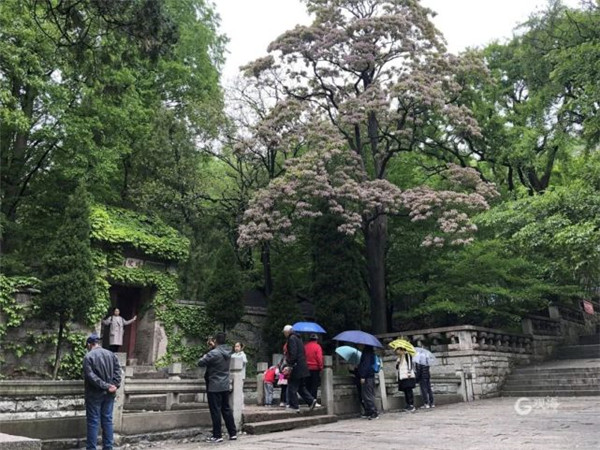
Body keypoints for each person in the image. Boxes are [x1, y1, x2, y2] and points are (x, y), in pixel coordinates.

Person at [83, 333, 122, 450]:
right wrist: (114, 385)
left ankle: (91, 448)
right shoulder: (111, 354)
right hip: (110, 394)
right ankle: (108, 447)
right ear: (98, 343)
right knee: (107, 420)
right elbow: (118, 373)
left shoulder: (88, 357)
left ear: (89, 344)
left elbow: (91, 377)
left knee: (93, 421)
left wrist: (106, 386)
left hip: (94, 394)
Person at [197, 332, 237, 443]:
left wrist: (210, 350)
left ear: (215, 341)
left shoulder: (213, 353)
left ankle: (217, 435)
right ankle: (232, 433)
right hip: (225, 384)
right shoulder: (229, 352)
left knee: (215, 410)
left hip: (214, 385)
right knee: (226, 409)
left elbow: (200, 362)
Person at [282, 324, 320, 413]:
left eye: (284, 332)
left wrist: (289, 365)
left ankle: (294, 406)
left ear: (287, 332)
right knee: (301, 387)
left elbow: (293, 353)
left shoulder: (291, 339)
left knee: (292, 386)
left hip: (296, 367)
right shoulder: (299, 338)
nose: (284, 334)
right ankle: (311, 400)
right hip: (303, 366)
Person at [356, 344, 378, 420]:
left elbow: (366, 365)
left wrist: (363, 376)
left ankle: (373, 411)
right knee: (366, 394)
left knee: (368, 395)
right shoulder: (370, 353)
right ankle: (369, 410)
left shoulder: (367, 354)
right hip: (369, 375)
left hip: (367, 376)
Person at [396, 347, 416, 412]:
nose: (397, 351)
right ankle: (407, 404)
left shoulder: (407, 355)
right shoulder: (400, 357)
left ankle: (411, 404)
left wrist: (409, 372)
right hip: (402, 376)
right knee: (405, 391)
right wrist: (398, 363)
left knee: (409, 390)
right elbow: (397, 367)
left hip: (407, 375)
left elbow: (410, 364)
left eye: (398, 350)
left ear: (401, 350)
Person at [304, 334, 324, 400]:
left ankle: (308, 399)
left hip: (306, 368)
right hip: (315, 368)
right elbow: (319, 358)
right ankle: (313, 399)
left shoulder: (305, 346)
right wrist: (321, 367)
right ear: (316, 340)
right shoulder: (317, 347)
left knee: (307, 385)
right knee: (314, 385)